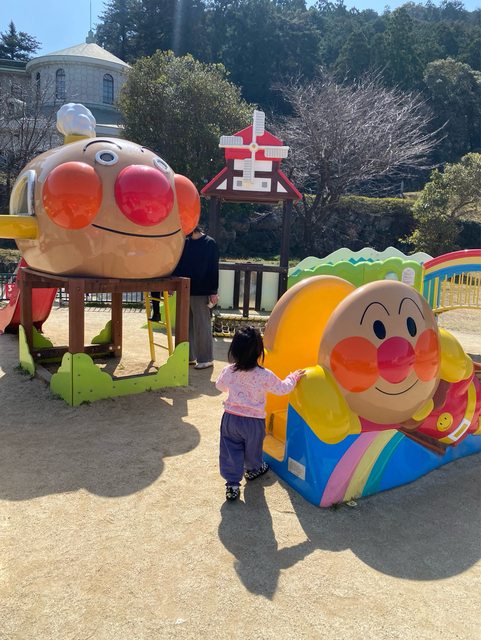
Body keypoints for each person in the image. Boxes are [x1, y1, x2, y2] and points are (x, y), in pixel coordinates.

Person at [215, 325, 305, 501]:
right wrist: (294, 377)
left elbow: (220, 386)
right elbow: (283, 388)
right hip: (253, 421)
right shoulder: (264, 375)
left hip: (230, 418)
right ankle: (253, 469)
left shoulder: (229, 370)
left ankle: (232, 485)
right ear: (259, 352)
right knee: (253, 448)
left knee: (229, 450)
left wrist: (233, 389)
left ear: (234, 350)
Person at [151, 225, 219, 368]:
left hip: (202, 291)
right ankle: (188, 356)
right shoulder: (185, 243)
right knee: (185, 325)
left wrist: (213, 291)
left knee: (202, 325)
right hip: (184, 289)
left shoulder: (209, 243)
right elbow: (179, 265)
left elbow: (213, 269)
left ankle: (206, 358)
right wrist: (172, 284)